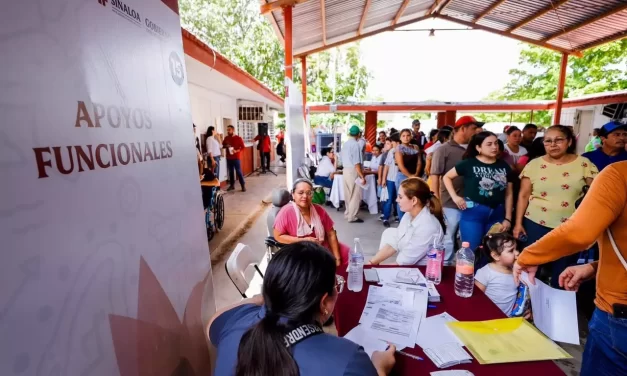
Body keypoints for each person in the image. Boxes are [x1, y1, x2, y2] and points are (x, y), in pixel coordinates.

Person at [208, 242, 397, 376]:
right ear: (324, 303)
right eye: (336, 285)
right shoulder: (348, 359)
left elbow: (212, 325)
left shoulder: (236, 321)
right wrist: (380, 369)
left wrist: (262, 297)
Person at [513, 161, 627, 376]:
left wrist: (527, 257)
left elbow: (578, 233)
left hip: (620, 312)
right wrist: (595, 267)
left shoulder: (619, 174)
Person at [513, 125, 597, 286]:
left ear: (569, 141)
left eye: (559, 140)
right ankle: (529, 307)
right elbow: (523, 195)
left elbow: (595, 196)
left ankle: (558, 305)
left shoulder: (584, 164)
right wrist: (518, 224)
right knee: (531, 269)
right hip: (535, 223)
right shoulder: (534, 164)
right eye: (548, 141)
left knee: (564, 272)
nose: (553, 145)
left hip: (570, 226)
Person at [442, 131, 514, 251]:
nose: (494, 147)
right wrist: (455, 197)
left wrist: (508, 218)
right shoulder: (468, 164)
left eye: (496, 143)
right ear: (478, 147)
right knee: (471, 250)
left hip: (497, 214)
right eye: (489, 144)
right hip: (473, 213)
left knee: (494, 251)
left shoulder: (504, 166)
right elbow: (446, 177)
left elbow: (509, 193)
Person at [430, 116, 482, 262]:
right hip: (449, 203)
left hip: (472, 202)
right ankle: (444, 265)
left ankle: (464, 266)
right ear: (463, 129)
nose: (476, 131)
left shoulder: (476, 150)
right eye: (473, 128)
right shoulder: (443, 150)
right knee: (448, 236)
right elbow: (435, 177)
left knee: (468, 239)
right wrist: (436, 201)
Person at [368, 178, 446, 265]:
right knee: (388, 233)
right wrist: (371, 263)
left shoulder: (427, 226)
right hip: (407, 269)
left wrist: (377, 270)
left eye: (400, 197)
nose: (397, 200)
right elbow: (395, 242)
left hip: (421, 274)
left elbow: (403, 263)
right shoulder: (408, 215)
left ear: (414, 201)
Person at [274, 178, 349, 266]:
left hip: (322, 247)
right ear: (293, 194)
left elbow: (331, 233)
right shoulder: (286, 212)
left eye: (309, 193)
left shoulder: (319, 209)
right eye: (300, 193)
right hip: (300, 251)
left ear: (312, 195)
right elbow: (278, 236)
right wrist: (303, 240)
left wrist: (337, 258)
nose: (305, 196)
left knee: (347, 253)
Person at [474, 232, 524, 317]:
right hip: (489, 318)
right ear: (496, 256)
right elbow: (477, 298)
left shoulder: (515, 269)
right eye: (511, 250)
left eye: (516, 249)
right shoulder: (485, 273)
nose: (517, 253)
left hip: (507, 319)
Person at [341, 125, 366, 223]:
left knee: (348, 194)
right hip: (353, 170)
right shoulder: (355, 145)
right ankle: (352, 216)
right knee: (355, 195)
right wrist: (361, 176)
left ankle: (348, 213)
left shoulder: (346, 144)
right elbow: (356, 163)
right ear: (359, 134)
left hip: (345, 170)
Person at [395, 129, 421, 219]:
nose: (406, 137)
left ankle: (411, 219)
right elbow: (401, 166)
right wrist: (410, 176)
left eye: (408, 135)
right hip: (402, 176)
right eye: (403, 136)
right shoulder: (398, 148)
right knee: (402, 200)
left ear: (411, 136)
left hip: (415, 175)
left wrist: (416, 174)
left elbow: (419, 162)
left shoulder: (415, 147)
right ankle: (401, 221)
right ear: (400, 137)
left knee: (413, 199)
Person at [381, 134, 400, 227]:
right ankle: (386, 217)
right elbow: (386, 166)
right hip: (390, 179)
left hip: (400, 179)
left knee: (399, 199)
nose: (391, 143)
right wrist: (384, 179)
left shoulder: (404, 150)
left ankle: (398, 216)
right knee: (389, 199)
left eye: (392, 142)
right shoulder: (391, 152)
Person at [223, 125, 246, 192]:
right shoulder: (226, 138)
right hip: (229, 157)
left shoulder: (238, 138)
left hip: (236, 158)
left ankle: (243, 185)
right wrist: (226, 146)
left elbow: (243, 147)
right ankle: (232, 185)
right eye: (227, 130)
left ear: (233, 130)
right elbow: (223, 145)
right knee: (230, 172)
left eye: (229, 130)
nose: (228, 131)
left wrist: (236, 151)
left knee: (238, 171)